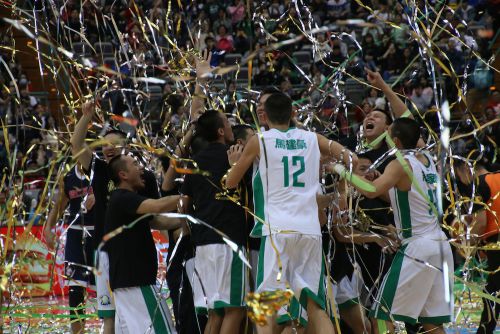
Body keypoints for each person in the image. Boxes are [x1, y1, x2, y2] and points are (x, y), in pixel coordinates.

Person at [226, 92, 357, 334]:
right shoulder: (312, 138)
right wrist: (331, 165)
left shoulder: (259, 140)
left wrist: (234, 163)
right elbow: (352, 159)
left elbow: (230, 183)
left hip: (277, 230)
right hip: (310, 231)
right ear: (293, 113)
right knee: (314, 303)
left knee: (266, 302)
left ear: (265, 115)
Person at [344, 118, 454, 334]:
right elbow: (401, 196)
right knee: (431, 323)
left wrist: (343, 172)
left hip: (418, 248)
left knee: (381, 315)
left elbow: (371, 191)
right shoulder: (427, 159)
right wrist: (382, 179)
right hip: (440, 246)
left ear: (395, 140)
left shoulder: (400, 164)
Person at [70, 101, 160, 334]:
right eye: (104, 145)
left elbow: (154, 216)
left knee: (134, 316)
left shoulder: (144, 177)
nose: (107, 148)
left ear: (127, 146)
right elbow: (76, 143)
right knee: (109, 317)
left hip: (134, 251)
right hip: (105, 251)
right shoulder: (99, 169)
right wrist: (85, 117)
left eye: (114, 144)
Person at [180, 110, 248, 334]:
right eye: (228, 123)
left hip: (203, 243)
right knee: (235, 310)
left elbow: (184, 204)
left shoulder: (194, 161)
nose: (231, 126)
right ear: (220, 131)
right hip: (229, 240)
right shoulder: (235, 156)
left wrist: (189, 230)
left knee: (215, 312)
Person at [104, 154, 182, 333]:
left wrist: (188, 219)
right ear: (123, 175)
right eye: (135, 164)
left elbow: (158, 221)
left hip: (126, 286)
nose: (141, 169)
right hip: (137, 284)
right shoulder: (123, 197)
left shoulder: (125, 202)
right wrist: (190, 197)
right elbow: (158, 206)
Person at [44, 165, 96, 334]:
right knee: (75, 290)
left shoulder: (100, 170)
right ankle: (78, 332)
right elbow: (59, 204)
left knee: (105, 288)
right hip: (75, 237)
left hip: (97, 234)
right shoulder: (68, 177)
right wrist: (48, 227)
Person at [454, 156, 499, 334]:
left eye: (457, 174)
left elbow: (481, 222)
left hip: (496, 242)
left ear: (465, 167)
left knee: (493, 292)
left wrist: (469, 247)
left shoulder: (478, 185)